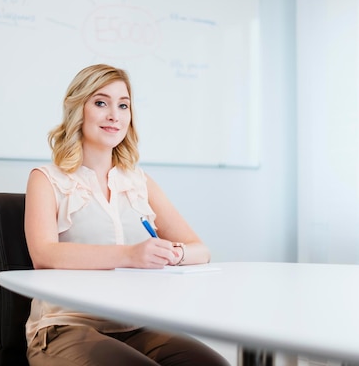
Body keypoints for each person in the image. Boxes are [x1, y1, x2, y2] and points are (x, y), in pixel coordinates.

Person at [24, 64, 229, 366]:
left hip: (135, 325)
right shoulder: (46, 178)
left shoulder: (139, 182)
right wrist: (131, 254)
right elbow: (44, 254)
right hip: (66, 326)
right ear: (77, 109)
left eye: (123, 105)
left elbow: (201, 250)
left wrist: (173, 253)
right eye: (100, 102)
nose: (114, 115)